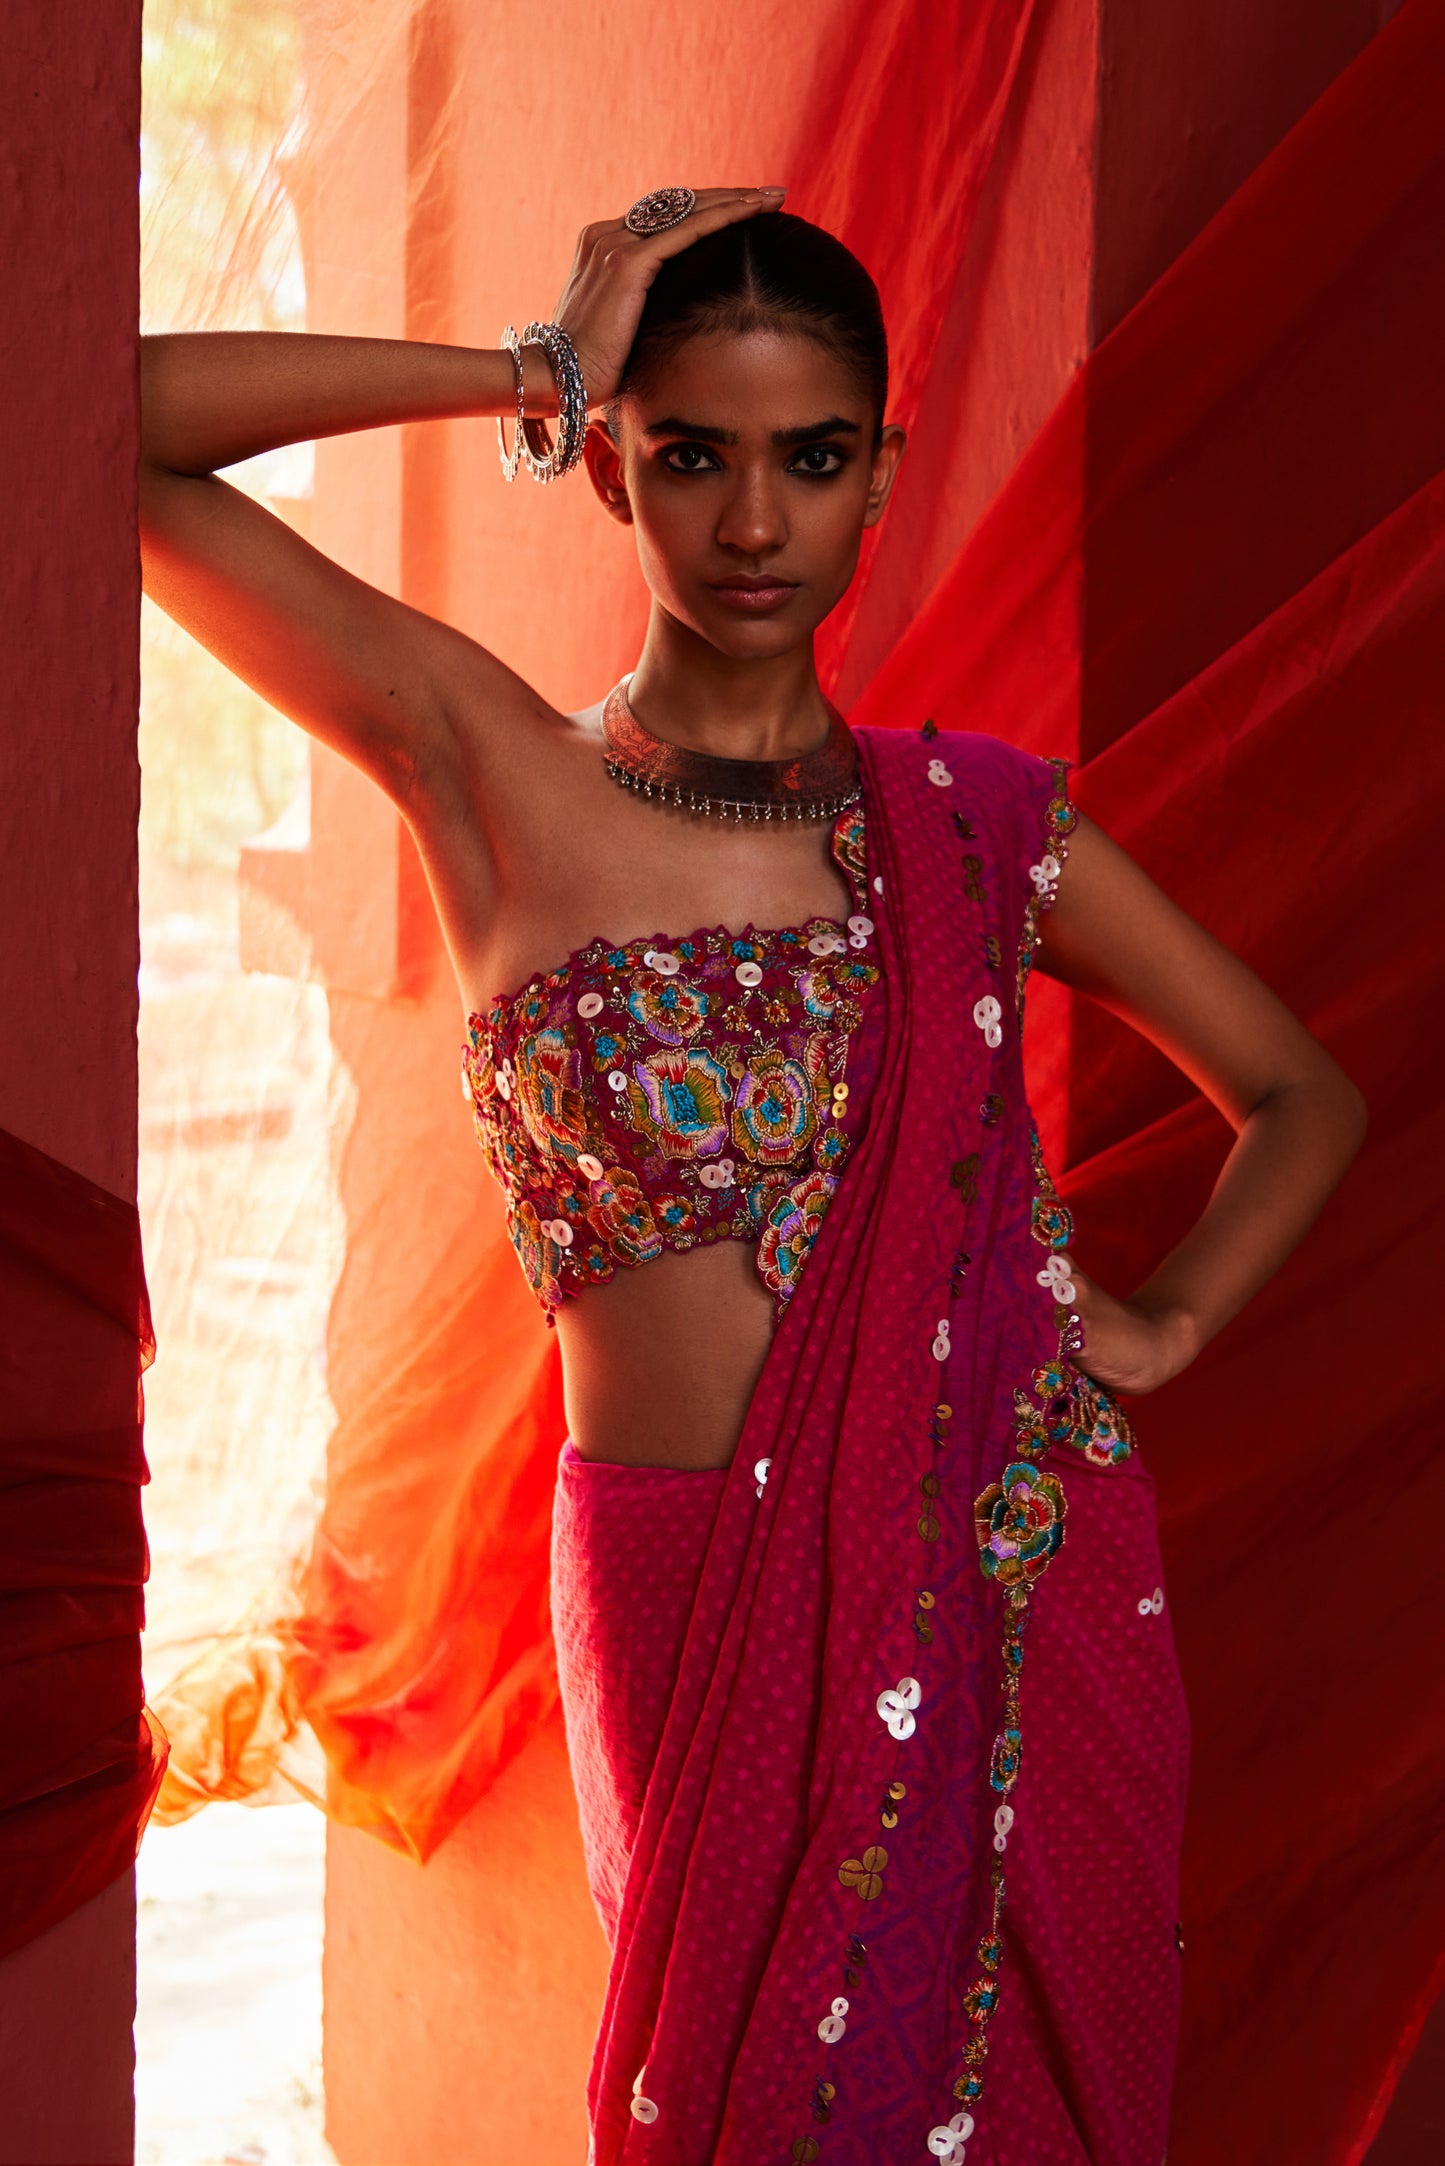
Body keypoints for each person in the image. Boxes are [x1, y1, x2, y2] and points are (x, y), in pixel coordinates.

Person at [139, 188, 1365, 2166]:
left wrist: (1164, 1320)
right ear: (613, 457)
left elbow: (1301, 1093)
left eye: (810, 461)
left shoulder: (982, 835)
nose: (751, 524)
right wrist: (518, 369)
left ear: (879, 472)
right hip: (680, 1582)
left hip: (998, 1572)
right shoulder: (492, 771)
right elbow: (121, 431)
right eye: (691, 453)